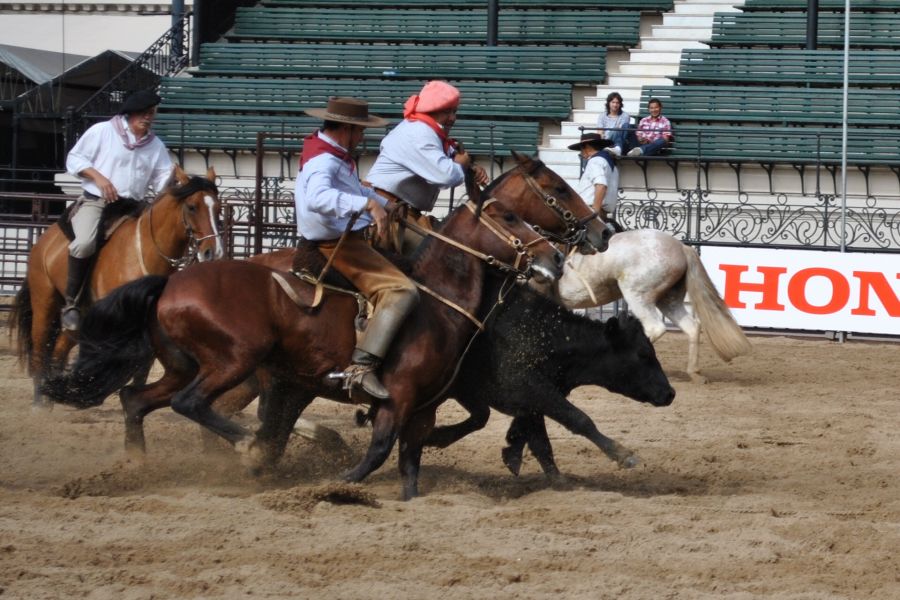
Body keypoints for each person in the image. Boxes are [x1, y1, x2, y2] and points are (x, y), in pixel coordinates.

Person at [295, 96, 419, 400]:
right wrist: (366, 204)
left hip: (341, 240)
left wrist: (384, 204)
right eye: (360, 130)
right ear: (347, 129)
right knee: (403, 291)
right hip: (331, 247)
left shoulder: (332, 154)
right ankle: (361, 368)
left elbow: (351, 189)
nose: (363, 136)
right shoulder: (324, 161)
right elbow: (317, 198)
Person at [62, 89, 173, 331]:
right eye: (144, 113)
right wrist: (99, 178)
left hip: (134, 207)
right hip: (98, 203)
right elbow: (76, 158)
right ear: (130, 114)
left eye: (151, 113)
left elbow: (163, 176)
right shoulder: (103, 131)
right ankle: (72, 303)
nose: (148, 117)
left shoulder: (155, 145)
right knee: (84, 243)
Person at [366, 80, 488, 253]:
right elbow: (447, 176)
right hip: (390, 211)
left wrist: (471, 167)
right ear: (432, 110)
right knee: (439, 257)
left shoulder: (427, 130)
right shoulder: (419, 133)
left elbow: (451, 156)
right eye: (447, 112)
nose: (453, 118)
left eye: (454, 112)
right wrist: (462, 164)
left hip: (406, 213)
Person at [568, 132, 621, 232]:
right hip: (602, 213)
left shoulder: (595, 161)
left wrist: (594, 213)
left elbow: (601, 185)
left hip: (589, 212)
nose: (581, 152)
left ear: (587, 147)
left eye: (581, 148)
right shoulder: (611, 164)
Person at [596, 91, 632, 156]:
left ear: (620, 104)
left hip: (620, 140)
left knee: (622, 128)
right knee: (616, 129)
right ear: (608, 103)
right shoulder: (602, 115)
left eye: (617, 103)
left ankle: (617, 148)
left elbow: (621, 131)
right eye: (613, 102)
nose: (615, 105)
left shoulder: (625, 115)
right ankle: (617, 149)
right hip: (606, 141)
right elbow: (600, 133)